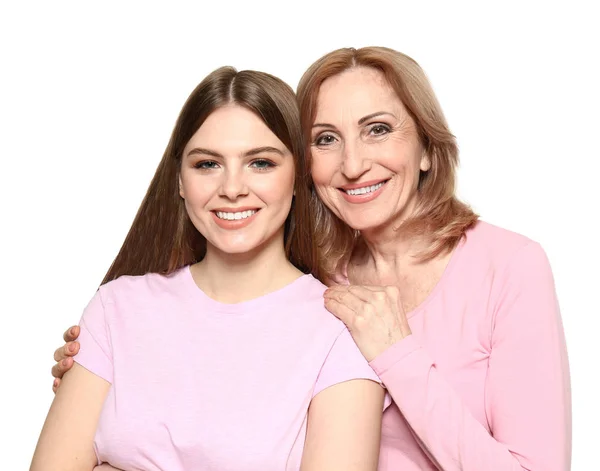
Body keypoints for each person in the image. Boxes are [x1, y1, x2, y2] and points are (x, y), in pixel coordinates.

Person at [50, 47, 571, 470]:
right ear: (306, 167)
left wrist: (398, 355)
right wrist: (112, 367)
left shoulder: (508, 266)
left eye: (379, 129)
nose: (353, 163)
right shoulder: (320, 278)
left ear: (429, 149)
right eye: (326, 139)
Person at [31, 66, 386, 471]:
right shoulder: (116, 309)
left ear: (297, 176)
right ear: (180, 179)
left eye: (261, 163)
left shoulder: (340, 331)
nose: (232, 188)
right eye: (207, 164)